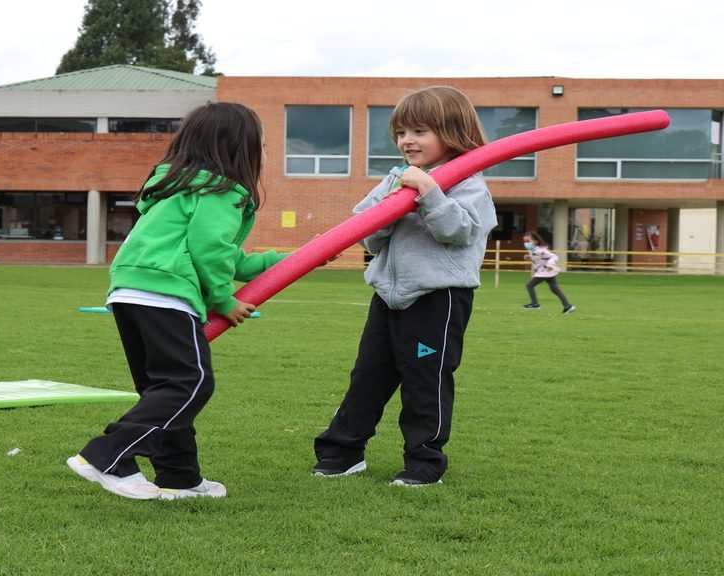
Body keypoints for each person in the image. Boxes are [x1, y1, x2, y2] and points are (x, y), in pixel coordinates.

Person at [67, 102, 287, 500]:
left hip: (130, 292)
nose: (265, 154)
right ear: (241, 149)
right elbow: (210, 250)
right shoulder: (223, 191)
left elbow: (225, 255)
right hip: (166, 296)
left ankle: (179, 477)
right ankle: (107, 456)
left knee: (166, 390)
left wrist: (285, 262)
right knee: (191, 383)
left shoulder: (177, 188)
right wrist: (223, 300)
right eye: (263, 145)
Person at [312, 86, 497, 487]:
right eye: (401, 132)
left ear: (452, 131)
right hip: (387, 296)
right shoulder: (396, 178)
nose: (407, 141)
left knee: (424, 382)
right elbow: (365, 230)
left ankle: (424, 464)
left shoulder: (469, 183)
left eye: (419, 131)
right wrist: (392, 208)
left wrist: (429, 194)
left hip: (437, 298)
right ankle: (341, 453)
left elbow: (459, 231)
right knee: (367, 377)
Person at [522, 231, 575, 314]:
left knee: (529, 285)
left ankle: (535, 304)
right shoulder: (533, 250)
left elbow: (554, 256)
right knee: (555, 289)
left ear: (535, 241)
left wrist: (550, 265)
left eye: (528, 241)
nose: (526, 243)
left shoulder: (540, 250)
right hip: (547, 272)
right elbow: (539, 258)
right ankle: (568, 306)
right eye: (525, 241)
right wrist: (529, 257)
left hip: (545, 272)